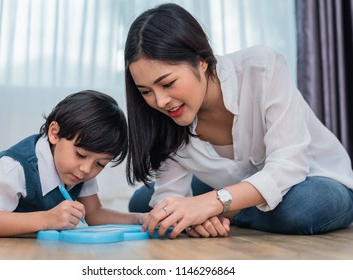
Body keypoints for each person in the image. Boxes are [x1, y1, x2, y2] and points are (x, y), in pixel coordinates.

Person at [124, 3, 353, 239]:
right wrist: (190, 218)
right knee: (143, 202)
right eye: (145, 91)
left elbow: (288, 168)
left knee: (304, 207)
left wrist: (210, 205)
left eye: (168, 84)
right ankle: (226, 209)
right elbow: (168, 197)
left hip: (312, 178)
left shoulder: (262, 67)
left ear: (201, 61)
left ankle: (230, 213)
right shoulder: (165, 118)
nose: (160, 101)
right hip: (234, 182)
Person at [0, 90, 144, 237]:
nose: (87, 169)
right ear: (54, 133)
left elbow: (94, 213)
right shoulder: (15, 165)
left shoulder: (81, 170)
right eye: (80, 155)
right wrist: (48, 219)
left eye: (100, 164)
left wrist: (140, 219)